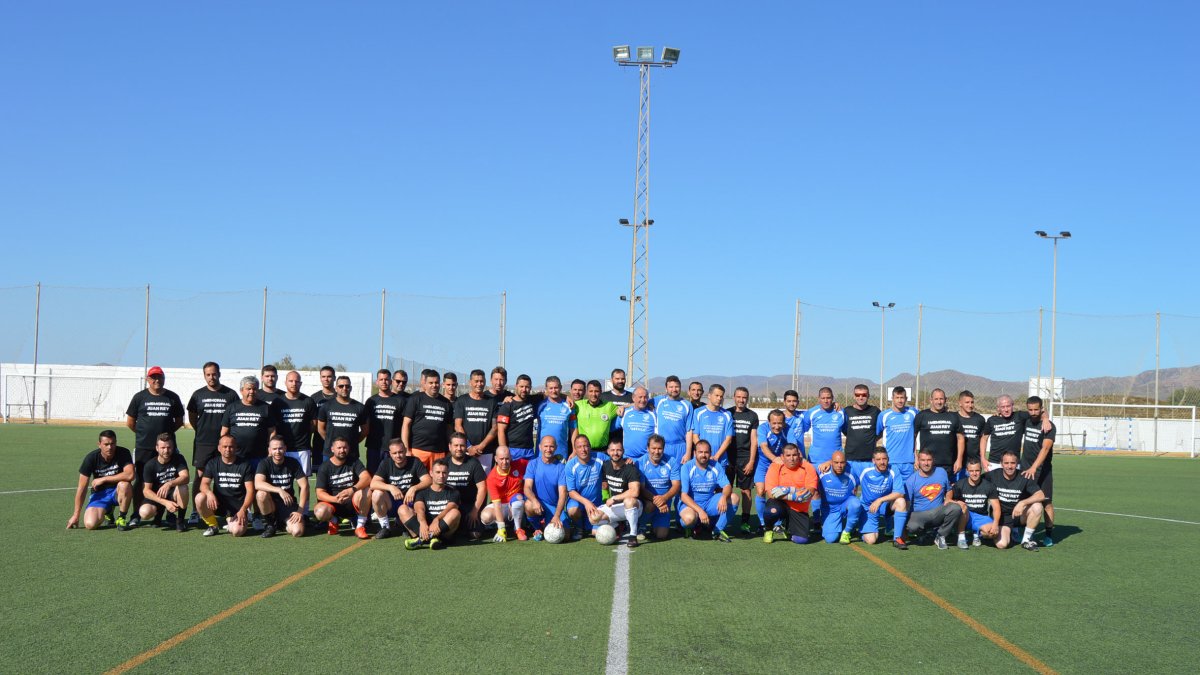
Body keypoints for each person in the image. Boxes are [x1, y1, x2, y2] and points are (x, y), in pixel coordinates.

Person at [124, 366, 185, 525]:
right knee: (140, 481)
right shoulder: (139, 397)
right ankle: (136, 514)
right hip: (144, 447)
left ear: (164, 378)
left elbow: (179, 422)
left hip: (167, 447)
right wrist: (144, 434)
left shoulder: (172, 397)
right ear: (148, 379)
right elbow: (130, 422)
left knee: (172, 478)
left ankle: (172, 514)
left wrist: (166, 439)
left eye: (160, 377)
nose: (157, 380)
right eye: (153, 377)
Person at [185, 361, 237, 525]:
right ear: (204, 375)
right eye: (208, 374)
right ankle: (195, 511)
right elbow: (193, 417)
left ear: (219, 374)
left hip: (225, 443)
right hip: (204, 442)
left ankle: (224, 510)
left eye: (214, 374)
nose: (211, 377)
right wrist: (202, 430)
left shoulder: (230, 394)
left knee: (225, 476)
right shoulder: (197, 395)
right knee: (200, 476)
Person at [67, 429, 134, 530]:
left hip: (118, 492)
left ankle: (121, 518)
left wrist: (104, 479)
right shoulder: (91, 458)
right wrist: (76, 515)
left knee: (125, 485)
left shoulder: (123, 453)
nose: (110, 447)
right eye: (106, 444)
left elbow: (130, 475)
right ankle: (108, 512)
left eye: (112, 444)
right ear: (99, 444)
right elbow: (82, 488)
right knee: (90, 524)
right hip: (100, 494)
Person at [369, 438, 430, 540]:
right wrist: (390, 487)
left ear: (405, 450)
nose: (398, 455)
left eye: (401, 452)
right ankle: (385, 527)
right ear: (390, 454)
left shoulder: (415, 461)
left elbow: (428, 480)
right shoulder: (386, 463)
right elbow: (373, 483)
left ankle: (404, 525)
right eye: (395, 453)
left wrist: (414, 488)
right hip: (393, 502)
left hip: (410, 502)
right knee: (376, 493)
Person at [196, 435, 255, 537]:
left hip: (238, 507)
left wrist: (243, 509)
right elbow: (203, 484)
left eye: (231, 446)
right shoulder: (213, 463)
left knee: (237, 532)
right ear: (219, 448)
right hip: (218, 504)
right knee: (199, 498)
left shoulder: (245, 464)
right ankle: (213, 526)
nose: (228, 449)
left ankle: (231, 522)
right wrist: (209, 493)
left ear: (236, 448)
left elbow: (250, 491)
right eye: (225, 446)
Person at [313, 437, 371, 539]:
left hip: (351, 500)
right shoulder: (325, 467)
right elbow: (319, 493)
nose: (342, 450)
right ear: (332, 449)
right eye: (339, 448)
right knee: (320, 511)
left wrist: (352, 490)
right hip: (334, 503)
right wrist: (335, 499)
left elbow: (367, 478)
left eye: (345, 448)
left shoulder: (354, 461)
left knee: (367, 491)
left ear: (348, 448)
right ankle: (333, 521)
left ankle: (360, 526)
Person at [900, 449, 958, 550]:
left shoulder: (941, 472)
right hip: (919, 515)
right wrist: (903, 529)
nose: (926, 463)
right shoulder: (911, 480)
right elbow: (907, 505)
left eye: (929, 460)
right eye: (923, 460)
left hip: (938, 512)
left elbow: (949, 489)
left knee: (956, 508)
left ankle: (940, 536)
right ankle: (923, 532)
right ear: (918, 461)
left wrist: (948, 498)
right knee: (911, 527)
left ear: (933, 460)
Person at [988, 451, 1047, 551]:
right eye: (1006, 463)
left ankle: (1026, 540)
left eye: (1012, 463)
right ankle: (1009, 532)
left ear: (1017, 463)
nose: (1009, 466)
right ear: (1001, 464)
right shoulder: (993, 475)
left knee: (1037, 506)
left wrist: (1022, 503)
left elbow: (1040, 495)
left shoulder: (1024, 476)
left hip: (1019, 515)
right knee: (1001, 545)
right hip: (1002, 518)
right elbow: (975, 482)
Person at [678, 440, 735, 543]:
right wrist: (700, 511)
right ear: (695, 453)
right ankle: (690, 526)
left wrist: (723, 497)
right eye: (700, 452)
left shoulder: (716, 466)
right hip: (690, 504)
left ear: (710, 453)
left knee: (734, 498)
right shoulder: (686, 467)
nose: (703, 455)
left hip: (708, 502)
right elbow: (683, 495)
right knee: (689, 519)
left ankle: (717, 530)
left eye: (706, 452)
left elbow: (727, 486)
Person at [761, 443, 819, 544]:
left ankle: (787, 527)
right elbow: (771, 494)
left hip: (799, 508)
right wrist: (795, 495)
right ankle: (768, 529)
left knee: (801, 540)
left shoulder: (808, 467)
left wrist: (787, 490)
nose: (791, 459)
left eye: (794, 455)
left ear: (799, 455)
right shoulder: (775, 466)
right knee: (772, 511)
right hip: (780, 504)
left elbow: (809, 493)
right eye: (788, 455)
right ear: (782, 457)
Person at [254, 435, 309, 538]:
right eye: (274, 449)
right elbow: (258, 483)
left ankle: (283, 524)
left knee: (298, 532)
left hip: (288, 503)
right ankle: (270, 525)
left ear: (285, 448)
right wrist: (279, 490)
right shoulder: (264, 463)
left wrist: (300, 511)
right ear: (269, 450)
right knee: (261, 494)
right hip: (271, 503)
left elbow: (304, 486)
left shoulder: (293, 463)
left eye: (280, 448)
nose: (277, 451)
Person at [1020, 396, 1057, 547]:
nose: (1033, 412)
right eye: (1030, 409)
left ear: (1041, 409)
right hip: (1025, 470)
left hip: (1043, 471)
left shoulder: (1049, 426)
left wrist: (1034, 467)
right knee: (1024, 501)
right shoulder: (1026, 420)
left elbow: (1046, 448)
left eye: (1037, 409)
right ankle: (1025, 531)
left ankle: (1048, 535)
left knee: (1047, 503)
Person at [402, 459, 461, 550]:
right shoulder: (422, 492)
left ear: (448, 474)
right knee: (402, 509)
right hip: (424, 527)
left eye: (444, 472)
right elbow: (419, 509)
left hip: (443, 531)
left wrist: (437, 519)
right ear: (431, 473)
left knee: (455, 513)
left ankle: (422, 540)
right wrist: (422, 523)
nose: (441, 475)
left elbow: (450, 508)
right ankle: (431, 538)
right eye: (437, 472)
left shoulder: (454, 491)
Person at [854, 448, 908, 546]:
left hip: (884, 505)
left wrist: (880, 500)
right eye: (878, 459)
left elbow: (900, 493)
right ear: (873, 461)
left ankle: (897, 538)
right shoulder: (864, 468)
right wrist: (828, 462)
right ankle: (863, 529)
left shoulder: (893, 469)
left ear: (888, 459)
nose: (882, 462)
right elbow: (844, 462)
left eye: (884, 459)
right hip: (869, 507)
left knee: (901, 501)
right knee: (871, 540)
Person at [980, 394, 1049, 471]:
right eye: (1003, 407)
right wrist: (983, 458)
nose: (1006, 409)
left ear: (1013, 405)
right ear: (998, 408)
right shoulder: (992, 420)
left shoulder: (1020, 416)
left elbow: (1040, 410)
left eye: (1008, 406)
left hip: (1014, 463)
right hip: (995, 463)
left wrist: (1045, 419)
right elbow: (984, 438)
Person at [401, 369, 453, 470]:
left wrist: (450, 449)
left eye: (436, 383)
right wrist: (406, 449)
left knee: (438, 481)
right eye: (431, 383)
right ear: (425, 383)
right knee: (418, 481)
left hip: (439, 451)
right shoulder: (415, 399)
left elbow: (449, 429)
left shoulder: (446, 403)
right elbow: (406, 425)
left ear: (440, 384)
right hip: (418, 449)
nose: (434, 385)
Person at [220, 375, 277, 467]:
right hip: (236, 456)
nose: (251, 392)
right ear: (241, 390)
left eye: (254, 389)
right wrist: (226, 450)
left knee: (258, 481)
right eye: (248, 389)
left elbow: (272, 432)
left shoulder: (265, 407)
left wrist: (270, 449)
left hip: (259, 456)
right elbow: (224, 432)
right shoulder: (231, 407)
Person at [594, 439, 642, 547]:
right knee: (593, 517)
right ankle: (617, 526)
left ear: (623, 451)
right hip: (617, 506)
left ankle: (633, 536)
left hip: (635, 506)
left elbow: (635, 492)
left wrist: (615, 498)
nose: (615, 453)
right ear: (607, 451)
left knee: (629, 501)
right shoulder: (606, 466)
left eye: (619, 450)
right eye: (613, 450)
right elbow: (604, 485)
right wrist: (606, 499)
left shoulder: (630, 468)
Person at [139, 433, 190, 532]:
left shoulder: (178, 458)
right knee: (144, 513)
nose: (166, 451)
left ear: (173, 447)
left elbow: (185, 477)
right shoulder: (150, 465)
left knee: (183, 487)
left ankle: (180, 521)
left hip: (172, 494)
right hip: (157, 497)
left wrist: (169, 483)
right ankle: (158, 516)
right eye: (162, 447)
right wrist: (165, 503)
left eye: (169, 447)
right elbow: (146, 491)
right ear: (157, 448)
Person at [524, 435, 569, 541]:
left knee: (566, 535)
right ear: (539, 447)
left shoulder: (561, 468)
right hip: (538, 505)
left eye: (551, 446)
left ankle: (545, 525)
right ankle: (536, 527)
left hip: (553, 507)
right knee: (528, 504)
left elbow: (563, 493)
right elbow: (527, 487)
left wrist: (557, 515)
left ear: (556, 447)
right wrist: (534, 500)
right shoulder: (533, 464)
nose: (548, 449)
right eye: (546, 446)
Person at [444, 432, 487, 540]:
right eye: (456, 445)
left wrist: (475, 511)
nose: (459, 448)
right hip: (449, 506)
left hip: (469, 505)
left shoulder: (474, 463)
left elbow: (482, 488)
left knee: (475, 535)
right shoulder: (444, 463)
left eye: (462, 445)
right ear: (450, 446)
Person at [948, 459, 1000, 549]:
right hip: (965, 515)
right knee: (962, 506)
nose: (974, 473)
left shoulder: (989, 486)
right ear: (967, 471)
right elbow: (949, 499)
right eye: (971, 471)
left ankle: (977, 533)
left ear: (981, 470)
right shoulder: (960, 484)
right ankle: (961, 537)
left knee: (993, 533)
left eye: (977, 470)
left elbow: (996, 507)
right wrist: (956, 502)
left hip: (981, 517)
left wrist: (995, 523)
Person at [727, 386, 759, 533]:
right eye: (739, 397)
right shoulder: (728, 413)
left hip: (745, 458)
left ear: (747, 398)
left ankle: (744, 521)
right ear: (734, 397)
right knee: (723, 489)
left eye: (744, 397)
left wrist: (751, 461)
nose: (741, 400)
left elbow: (754, 440)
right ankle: (724, 520)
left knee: (746, 491)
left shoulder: (752, 416)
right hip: (728, 457)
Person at [480, 446, 529, 541]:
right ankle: (506, 523)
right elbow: (497, 505)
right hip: (501, 506)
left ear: (511, 457)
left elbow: (535, 464)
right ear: (496, 459)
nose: (505, 462)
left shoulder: (520, 464)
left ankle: (518, 529)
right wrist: (501, 528)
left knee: (518, 500)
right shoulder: (491, 478)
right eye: (501, 459)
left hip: (515, 503)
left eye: (507, 458)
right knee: (485, 517)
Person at [637, 434, 680, 541]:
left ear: (663, 449)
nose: (657, 451)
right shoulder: (641, 462)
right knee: (650, 506)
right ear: (648, 448)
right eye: (653, 448)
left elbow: (676, 485)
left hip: (664, 504)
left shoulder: (672, 461)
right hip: (648, 501)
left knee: (661, 535)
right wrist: (658, 501)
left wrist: (664, 499)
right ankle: (641, 526)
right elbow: (641, 489)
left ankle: (653, 524)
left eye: (659, 448)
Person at [454, 369, 500, 470]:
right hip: (465, 451)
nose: (479, 384)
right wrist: (469, 446)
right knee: (465, 483)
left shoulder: (492, 402)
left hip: (485, 452)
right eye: (476, 381)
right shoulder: (462, 400)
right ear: (470, 382)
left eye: (482, 381)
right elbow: (458, 425)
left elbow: (495, 427)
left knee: (484, 483)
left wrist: (481, 446)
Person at [913, 388, 964, 478]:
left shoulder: (953, 417)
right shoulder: (922, 415)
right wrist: (916, 457)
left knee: (946, 490)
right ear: (931, 400)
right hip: (926, 463)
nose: (939, 402)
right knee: (927, 490)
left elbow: (960, 438)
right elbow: (913, 437)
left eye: (941, 399)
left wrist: (959, 459)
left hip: (948, 464)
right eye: (936, 399)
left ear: (945, 400)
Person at [317, 375, 368, 463]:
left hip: (351, 453)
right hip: (330, 453)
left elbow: (365, 431)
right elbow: (320, 429)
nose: (344, 388)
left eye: (347, 386)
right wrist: (331, 443)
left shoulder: (360, 407)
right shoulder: (326, 406)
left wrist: (353, 442)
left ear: (351, 388)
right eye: (341, 386)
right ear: (336, 388)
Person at [752, 410, 788, 534]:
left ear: (783, 423)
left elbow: (792, 445)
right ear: (768, 422)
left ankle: (777, 523)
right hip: (763, 464)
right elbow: (763, 446)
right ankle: (763, 523)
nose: (777, 426)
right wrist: (774, 459)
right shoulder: (762, 429)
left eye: (779, 423)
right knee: (761, 490)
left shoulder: (786, 429)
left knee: (776, 493)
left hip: (779, 466)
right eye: (774, 423)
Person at [564, 434, 605, 541]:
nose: (583, 449)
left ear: (590, 447)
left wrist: (627, 460)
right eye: (579, 447)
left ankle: (588, 526)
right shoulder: (570, 465)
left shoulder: (600, 457)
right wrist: (586, 502)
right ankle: (578, 527)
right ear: (575, 449)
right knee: (573, 511)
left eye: (586, 446)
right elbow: (571, 492)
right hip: (578, 503)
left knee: (598, 533)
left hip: (596, 505)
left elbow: (616, 462)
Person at [815, 451, 861, 544]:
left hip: (846, 504)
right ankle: (840, 522)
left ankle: (847, 531)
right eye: (836, 462)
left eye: (842, 462)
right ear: (831, 462)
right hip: (830, 509)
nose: (839, 465)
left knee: (856, 504)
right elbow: (804, 465)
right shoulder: (821, 470)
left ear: (846, 462)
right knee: (830, 539)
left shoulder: (852, 470)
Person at [278, 370, 318, 478]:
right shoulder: (278, 402)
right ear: (285, 382)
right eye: (290, 381)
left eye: (297, 381)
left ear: (300, 383)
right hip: (283, 448)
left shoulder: (308, 401)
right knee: (283, 480)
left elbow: (314, 424)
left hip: (302, 448)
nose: (294, 383)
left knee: (303, 481)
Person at [364, 368, 405, 470]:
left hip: (393, 447)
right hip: (374, 447)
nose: (384, 382)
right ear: (377, 381)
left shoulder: (400, 401)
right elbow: (366, 424)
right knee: (372, 476)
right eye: (381, 379)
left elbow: (405, 424)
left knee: (391, 476)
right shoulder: (371, 401)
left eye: (386, 379)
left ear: (391, 381)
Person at [876, 386, 918, 483]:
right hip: (891, 461)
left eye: (902, 398)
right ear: (892, 398)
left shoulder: (913, 412)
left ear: (906, 399)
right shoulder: (884, 415)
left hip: (908, 462)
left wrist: (916, 455)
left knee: (908, 494)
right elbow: (876, 436)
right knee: (891, 493)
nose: (900, 400)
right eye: (897, 398)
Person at [686, 385, 734, 468]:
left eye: (721, 396)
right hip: (701, 459)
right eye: (717, 395)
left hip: (719, 461)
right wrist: (704, 454)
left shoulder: (727, 415)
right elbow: (695, 437)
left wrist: (716, 456)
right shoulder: (698, 412)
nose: (719, 398)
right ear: (709, 396)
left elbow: (728, 440)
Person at [650, 375, 692, 467]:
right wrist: (623, 407)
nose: (674, 389)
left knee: (679, 478)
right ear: (666, 388)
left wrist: (688, 453)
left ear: (680, 388)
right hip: (663, 446)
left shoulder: (687, 405)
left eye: (677, 387)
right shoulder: (659, 401)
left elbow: (689, 431)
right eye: (671, 387)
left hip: (680, 447)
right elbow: (640, 402)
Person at [572, 380, 620, 461]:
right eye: (591, 391)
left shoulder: (609, 406)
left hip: (603, 452)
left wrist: (623, 407)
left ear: (601, 392)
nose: (593, 394)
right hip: (583, 452)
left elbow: (627, 408)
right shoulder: (578, 405)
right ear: (587, 392)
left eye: (596, 391)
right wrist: (566, 397)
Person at [496, 374, 539, 461]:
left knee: (529, 475)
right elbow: (500, 431)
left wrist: (566, 397)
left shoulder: (534, 400)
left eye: (527, 387)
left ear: (530, 388)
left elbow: (551, 393)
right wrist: (505, 452)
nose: (524, 389)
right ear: (516, 386)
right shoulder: (507, 405)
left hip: (529, 450)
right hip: (513, 450)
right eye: (521, 386)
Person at [842, 384, 881, 479]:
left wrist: (874, 438)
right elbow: (844, 430)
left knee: (870, 487)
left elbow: (882, 429)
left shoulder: (875, 411)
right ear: (854, 396)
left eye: (864, 395)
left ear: (868, 396)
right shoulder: (847, 411)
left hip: (870, 458)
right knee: (852, 487)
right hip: (851, 457)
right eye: (857, 395)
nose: (860, 397)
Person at [806, 387, 845, 470]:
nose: (826, 401)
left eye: (828, 398)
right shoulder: (811, 413)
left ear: (832, 398)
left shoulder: (841, 412)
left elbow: (848, 431)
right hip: (815, 460)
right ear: (819, 399)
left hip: (836, 460)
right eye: (823, 398)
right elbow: (802, 429)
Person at [536, 376, 575, 458]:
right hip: (541, 454)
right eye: (551, 388)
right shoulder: (539, 405)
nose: (553, 391)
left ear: (560, 388)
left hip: (561, 453)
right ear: (546, 389)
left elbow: (574, 429)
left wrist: (574, 450)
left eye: (556, 388)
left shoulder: (569, 406)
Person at [617, 386, 656, 461]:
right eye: (640, 397)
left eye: (645, 397)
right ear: (633, 398)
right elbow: (609, 428)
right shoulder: (624, 413)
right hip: (627, 458)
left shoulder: (653, 414)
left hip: (646, 459)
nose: (643, 400)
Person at [955, 390, 987, 481]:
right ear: (960, 403)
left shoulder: (980, 419)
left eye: (972, 402)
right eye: (967, 402)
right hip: (957, 462)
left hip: (974, 463)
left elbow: (982, 440)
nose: (970, 405)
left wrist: (983, 457)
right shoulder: (953, 417)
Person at [310, 365, 338, 465]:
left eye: (329, 376)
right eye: (323, 376)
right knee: (321, 474)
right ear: (320, 378)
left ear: (334, 378)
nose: (326, 379)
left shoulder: (340, 397)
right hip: (319, 443)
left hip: (338, 442)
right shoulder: (314, 398)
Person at [780, 390, 810, 458]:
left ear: (798, 402)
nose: (792, 404)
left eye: (794, 401)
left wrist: (833, 404)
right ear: (784, 402)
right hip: (784, 457)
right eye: (789, 401)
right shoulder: (779, 418)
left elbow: (817, 410)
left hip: (800, 457)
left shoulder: (803, 415)